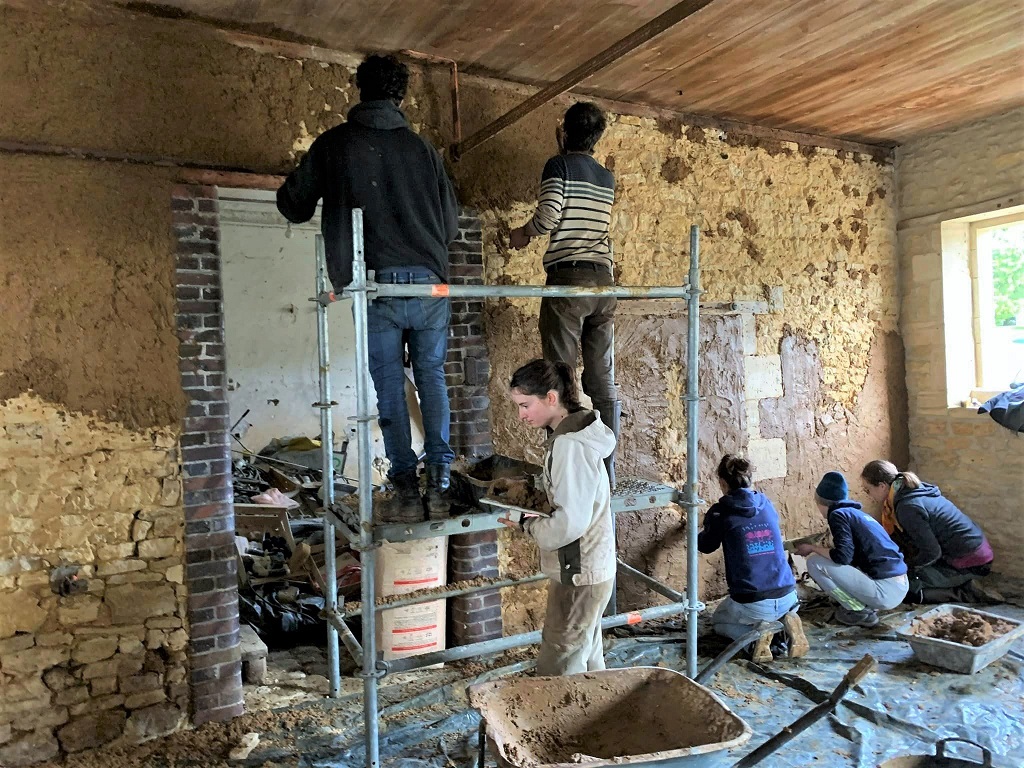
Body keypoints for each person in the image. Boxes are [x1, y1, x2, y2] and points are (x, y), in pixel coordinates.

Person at [276, 53, 459, 523]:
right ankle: (438, 482)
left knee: (389, 386)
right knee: (432, 378)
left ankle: (404, 490)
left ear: (360, 90)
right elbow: (451, 223)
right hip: (428, 286)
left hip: (374, 284)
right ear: (401, 95)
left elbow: (294, 206)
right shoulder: (423, 150)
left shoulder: (335, 144)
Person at [508, 103, 622, 485]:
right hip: (604, 283)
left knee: (558, 377)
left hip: (569, 281)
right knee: (601, 378)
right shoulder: (606, 177)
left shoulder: (559, 166)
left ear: (563, 132)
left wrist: (523, 234)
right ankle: (606, 469)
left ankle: (565, 471)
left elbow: (550, 213)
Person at [498, 359, 616, 675]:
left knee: (559, 661)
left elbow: (569, 523)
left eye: (525, 405)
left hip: (579, 571)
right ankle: (595, 717)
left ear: (552, 398)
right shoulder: (575, 433)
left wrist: (527, 523)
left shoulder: (568, 445)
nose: (521, 415)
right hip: (590, 568)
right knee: (586, 654)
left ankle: (566, 723)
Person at [698, 455, 809, 663]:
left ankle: (754, 641)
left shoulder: (721, 512)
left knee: (719, 621)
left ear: (722, 483)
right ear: (750, 478)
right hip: (789, 595)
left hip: (754, 602)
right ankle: (785, 627)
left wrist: (700, 528)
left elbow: (705, 545)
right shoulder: (766, 503)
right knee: (766, 612)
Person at [860, 460, 995, 604]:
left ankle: (966, 592)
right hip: (970, 553)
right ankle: (957, 582)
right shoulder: (910, 490)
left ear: (882, 486)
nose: (868, 495)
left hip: (971, 561)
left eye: (867, 490)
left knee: (903, 589)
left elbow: (932, 552)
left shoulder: (907, 507)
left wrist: (907, 567)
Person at [795, 471, 908, 628]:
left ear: (819, 501)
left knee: (814, 562)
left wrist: (812, 548)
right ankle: (865, 604)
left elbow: (843, 557)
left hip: (886, 591)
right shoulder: (855, 514)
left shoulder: (837, 515)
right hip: (900, 585)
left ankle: (857, 610)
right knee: (831, 560)